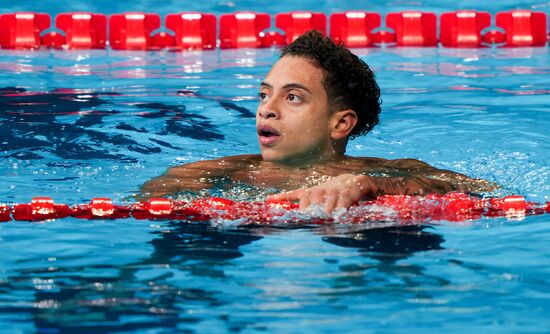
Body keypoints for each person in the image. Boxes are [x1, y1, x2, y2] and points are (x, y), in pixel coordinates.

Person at [141, 30, 493, 213]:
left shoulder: (390, 172)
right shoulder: (211, 174)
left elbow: (489, 193)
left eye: (292, 97)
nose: (267, 109)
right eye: (264, 94)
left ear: (340, 124)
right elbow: (149, 201)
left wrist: (372, 186)